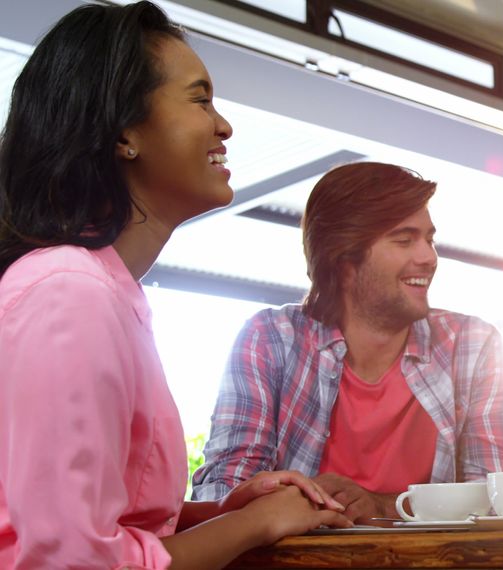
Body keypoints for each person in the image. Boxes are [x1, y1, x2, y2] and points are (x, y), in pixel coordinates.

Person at [0, 3, 352, 568]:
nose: (224, 125)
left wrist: (216, 514)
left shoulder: (108, 294)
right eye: (200, 98)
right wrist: (256, 524)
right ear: (123, 134)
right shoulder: (70, 293)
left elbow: (97, 518)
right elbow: (70, 560)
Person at [191, 162, 503, 523]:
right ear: (344, 259)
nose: (429, 257)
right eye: (404, 239)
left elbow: (501, 503)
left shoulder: (472, 346)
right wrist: (311, 501)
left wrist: (381, 505)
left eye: (429, 239)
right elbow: (220, 495)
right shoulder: (272, 339)